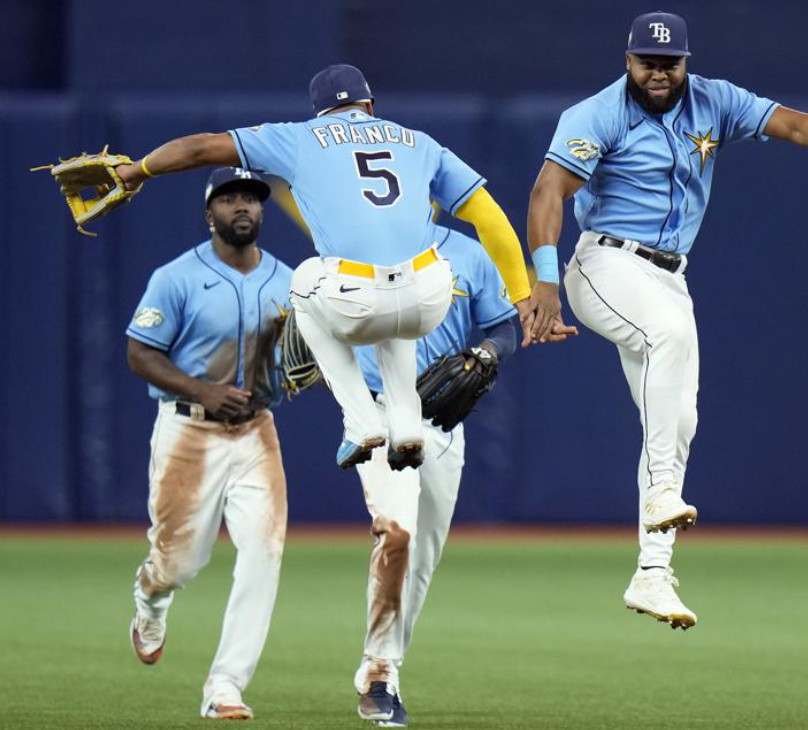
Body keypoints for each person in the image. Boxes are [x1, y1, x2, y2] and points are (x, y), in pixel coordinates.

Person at [524, 11, 808, 628]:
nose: (658, 72)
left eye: (669, 62)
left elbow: (790, 123)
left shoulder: (715, 101)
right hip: (603, 264)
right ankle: (659, 494)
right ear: (627, 61)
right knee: (667, 337)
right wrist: (543, 279)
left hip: (668, 277)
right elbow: (548, 191)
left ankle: (652, 573)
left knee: (680, 417)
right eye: (647, 62)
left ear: (686, 61)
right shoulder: (595, 115)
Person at [114, 64, 566, 475]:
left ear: (319, 111)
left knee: (305, 280)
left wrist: (139, 170)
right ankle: (406, 426)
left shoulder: (300, 137)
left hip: (355, 300)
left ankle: (360, 421)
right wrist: (523, 293)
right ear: (370, 104)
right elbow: (489, 218)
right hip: (429, 298)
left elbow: (199, 148)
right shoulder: (419, 141)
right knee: (400, 299)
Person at [125, 167, 294, 719]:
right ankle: (152, 595)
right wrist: (205, 389)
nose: (241, 206)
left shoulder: (290, 281)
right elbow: (140, 353)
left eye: (250, 198)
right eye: (228, 199)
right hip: (188, 429)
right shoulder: (175, 277)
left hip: (255, 432)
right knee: (180, 562)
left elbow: (306, 356)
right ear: (209, 215)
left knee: (264, 553)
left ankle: (225, 685)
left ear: (262, 212)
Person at [350, 223, 521, 726]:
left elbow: (504, 327)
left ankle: (383, 664)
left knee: (422, 556)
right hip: (380, 413)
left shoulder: (466, 255)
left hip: (441, 422)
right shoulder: (356, 244)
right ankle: (381, 672)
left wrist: (486, 353)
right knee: (397, 533)